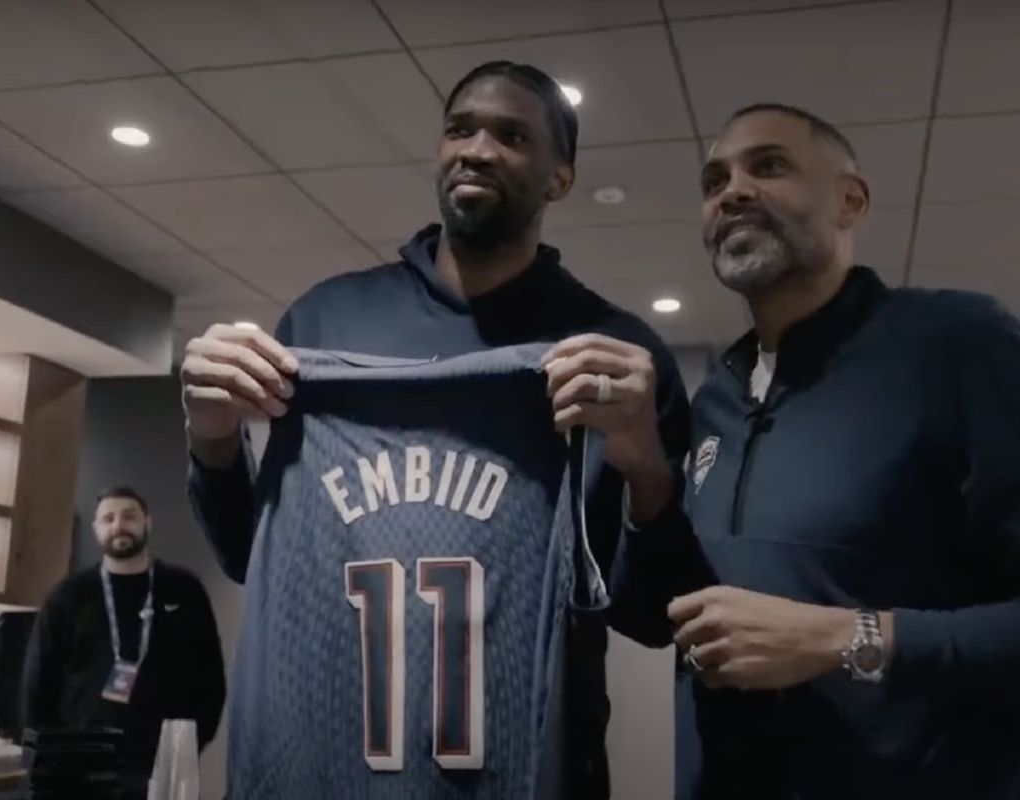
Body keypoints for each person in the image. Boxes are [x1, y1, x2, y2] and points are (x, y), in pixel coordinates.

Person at [588, 104, 1020, 799]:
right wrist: (645, 470)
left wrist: (849, 638)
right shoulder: (718, 396)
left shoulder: (963, 347)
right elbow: (656, 618)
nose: (732, 191)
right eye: (715, 181)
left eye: (767, 166)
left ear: (850, 201)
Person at [180, 61, 689, 798]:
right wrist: (212, 438)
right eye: (459, 129)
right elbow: (252, 558)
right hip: (330, 768)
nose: (476, 149)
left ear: (560, 178)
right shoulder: (324, 322)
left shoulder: (613, 353)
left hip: (523, 765)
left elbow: (650, 616)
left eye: (511, 135)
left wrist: (645, 464)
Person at [21, 486, 226, 788]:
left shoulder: (184, 590)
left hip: (162, 764)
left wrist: (188, 746)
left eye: (129, 516)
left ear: (147, 522)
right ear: (96, 529)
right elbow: (37, 685)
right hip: (77, 767)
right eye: (108, 519)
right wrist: (49, 758)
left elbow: (210, 679)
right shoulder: (68, 596)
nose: (118, 525)